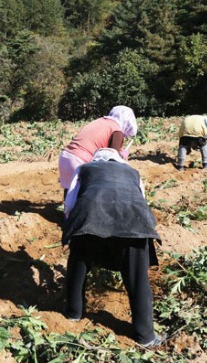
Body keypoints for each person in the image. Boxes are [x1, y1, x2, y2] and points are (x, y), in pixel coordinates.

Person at [63, 135, 159, 343]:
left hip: (91, 221)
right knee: (138, 279)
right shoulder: (133, 173)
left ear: (96, 159)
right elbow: (140, 199)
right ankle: (146, 336)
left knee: (78, 263)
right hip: (134, 225)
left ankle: (73, 313)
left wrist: (73, 229)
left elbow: (70, 204)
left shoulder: (85, 169)